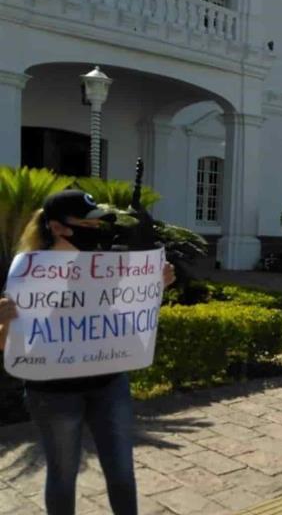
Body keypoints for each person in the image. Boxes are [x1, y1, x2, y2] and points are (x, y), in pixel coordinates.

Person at [0, 190, 175, 515]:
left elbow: (126, 314)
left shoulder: (107, 266)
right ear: (59, 227)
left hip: (108, 385)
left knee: (122, 472)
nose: (97, 230)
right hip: (53, 395)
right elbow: (6, 345)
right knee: (63, 477)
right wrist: (4, 322)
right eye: (88, 223)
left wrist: (154, 286)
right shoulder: (29, 274)